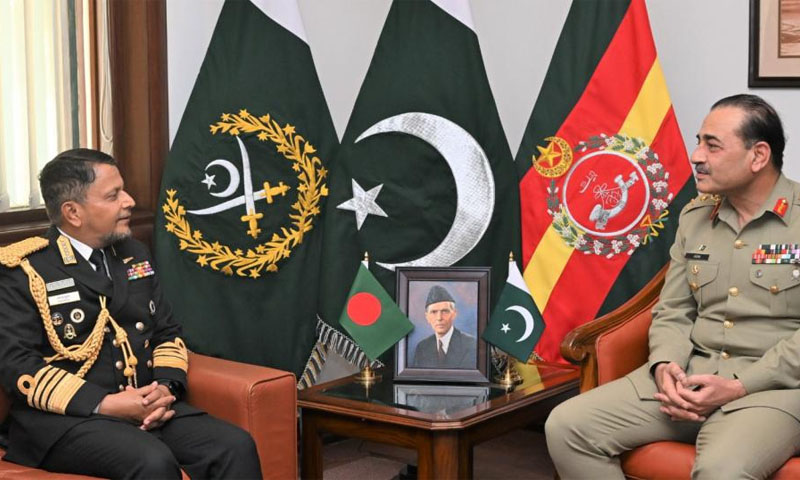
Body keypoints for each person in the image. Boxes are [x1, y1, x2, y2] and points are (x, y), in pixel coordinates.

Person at [545, 94, 800, 479]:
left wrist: (739, 386)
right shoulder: (696, 217)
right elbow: (673, 309)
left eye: (712, 145)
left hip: (772, 390)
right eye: (699, 142)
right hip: (689, 377)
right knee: (567, 427)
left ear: (758, 156)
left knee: (721, 470)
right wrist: (666, 364)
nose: (696, 156)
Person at [0, 149, 262, 479]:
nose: (129, 201)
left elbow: (166, 333)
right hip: (67, 420)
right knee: (152, 461)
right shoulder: (24, 270)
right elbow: (17, 363)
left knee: (234, 446)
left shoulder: (133, 254)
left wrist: (164, 389)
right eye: (113, 196)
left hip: (144, 406)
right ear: (73, 212)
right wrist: (106, 404)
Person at [412, 285, 476, 369]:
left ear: (454, 314)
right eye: (434, 312)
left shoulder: (470, 344)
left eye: (445, 311)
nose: (439, 318)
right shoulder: (422, 348)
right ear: (427, 317)